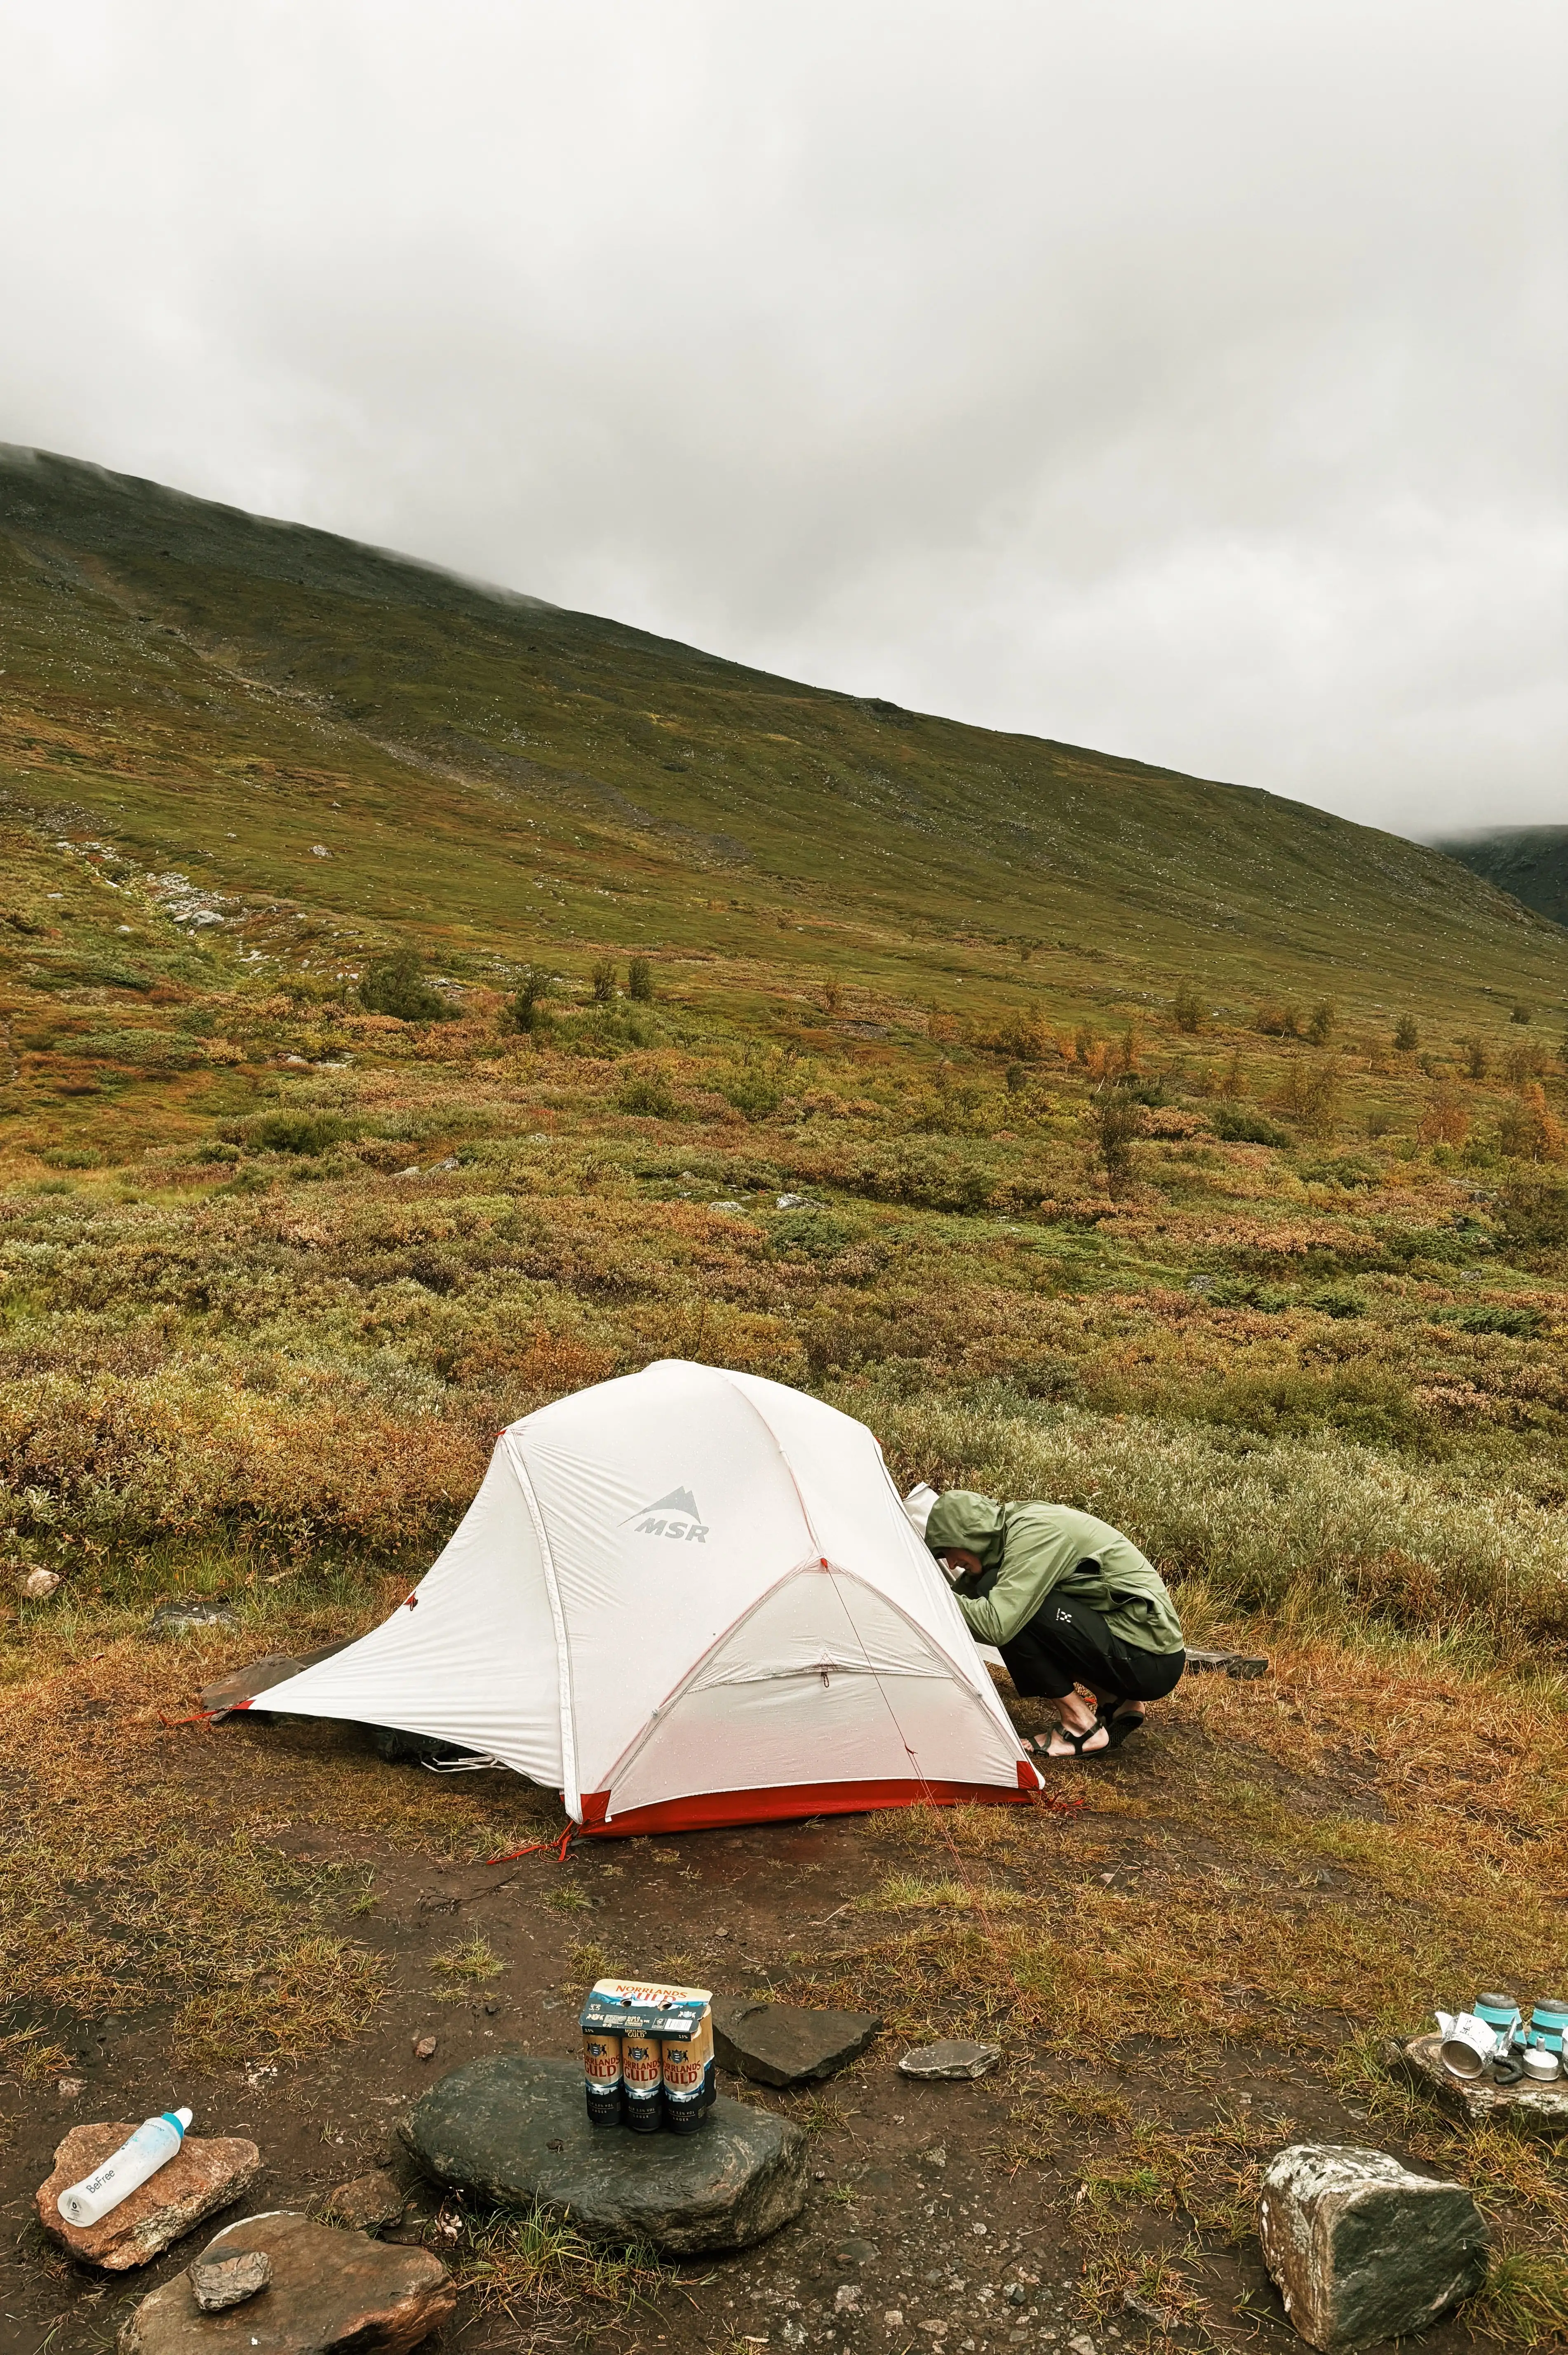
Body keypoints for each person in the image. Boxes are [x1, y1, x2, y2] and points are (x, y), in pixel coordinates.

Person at [910, 1487, 1185, 1757]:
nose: (951, 1565)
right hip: (1141, 1652)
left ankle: (1080, 1726)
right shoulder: (1009, 1535)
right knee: (1002, 1596)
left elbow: (994, 1625)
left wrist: (926, 1595)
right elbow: (951, 1610)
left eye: (948, 1552)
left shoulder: (1034, 1534)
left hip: (1148, 1660)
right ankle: (1116, 1700)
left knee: (1009, 1612)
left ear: (968, 1535)